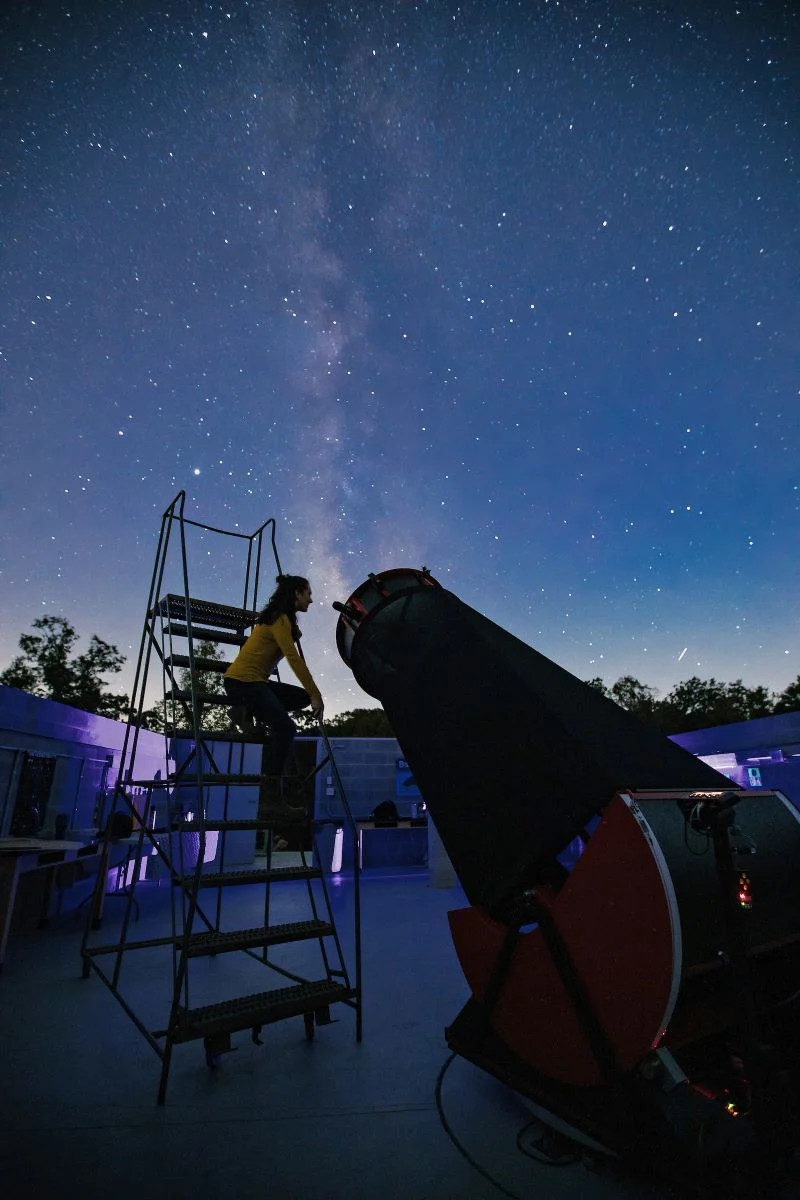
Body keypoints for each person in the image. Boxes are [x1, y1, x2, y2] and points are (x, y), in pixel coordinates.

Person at [223, 574, 324, 823]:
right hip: (242, 682)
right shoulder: (280, 619)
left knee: (298, 698)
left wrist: (308, 694)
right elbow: (292, 658)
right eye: (308, 593)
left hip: (254, 682)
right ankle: (270, 801)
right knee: (286, 728)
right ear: (296, 594)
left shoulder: (282, 619)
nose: (311, 600)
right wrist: (316, 693)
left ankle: (246, 711)